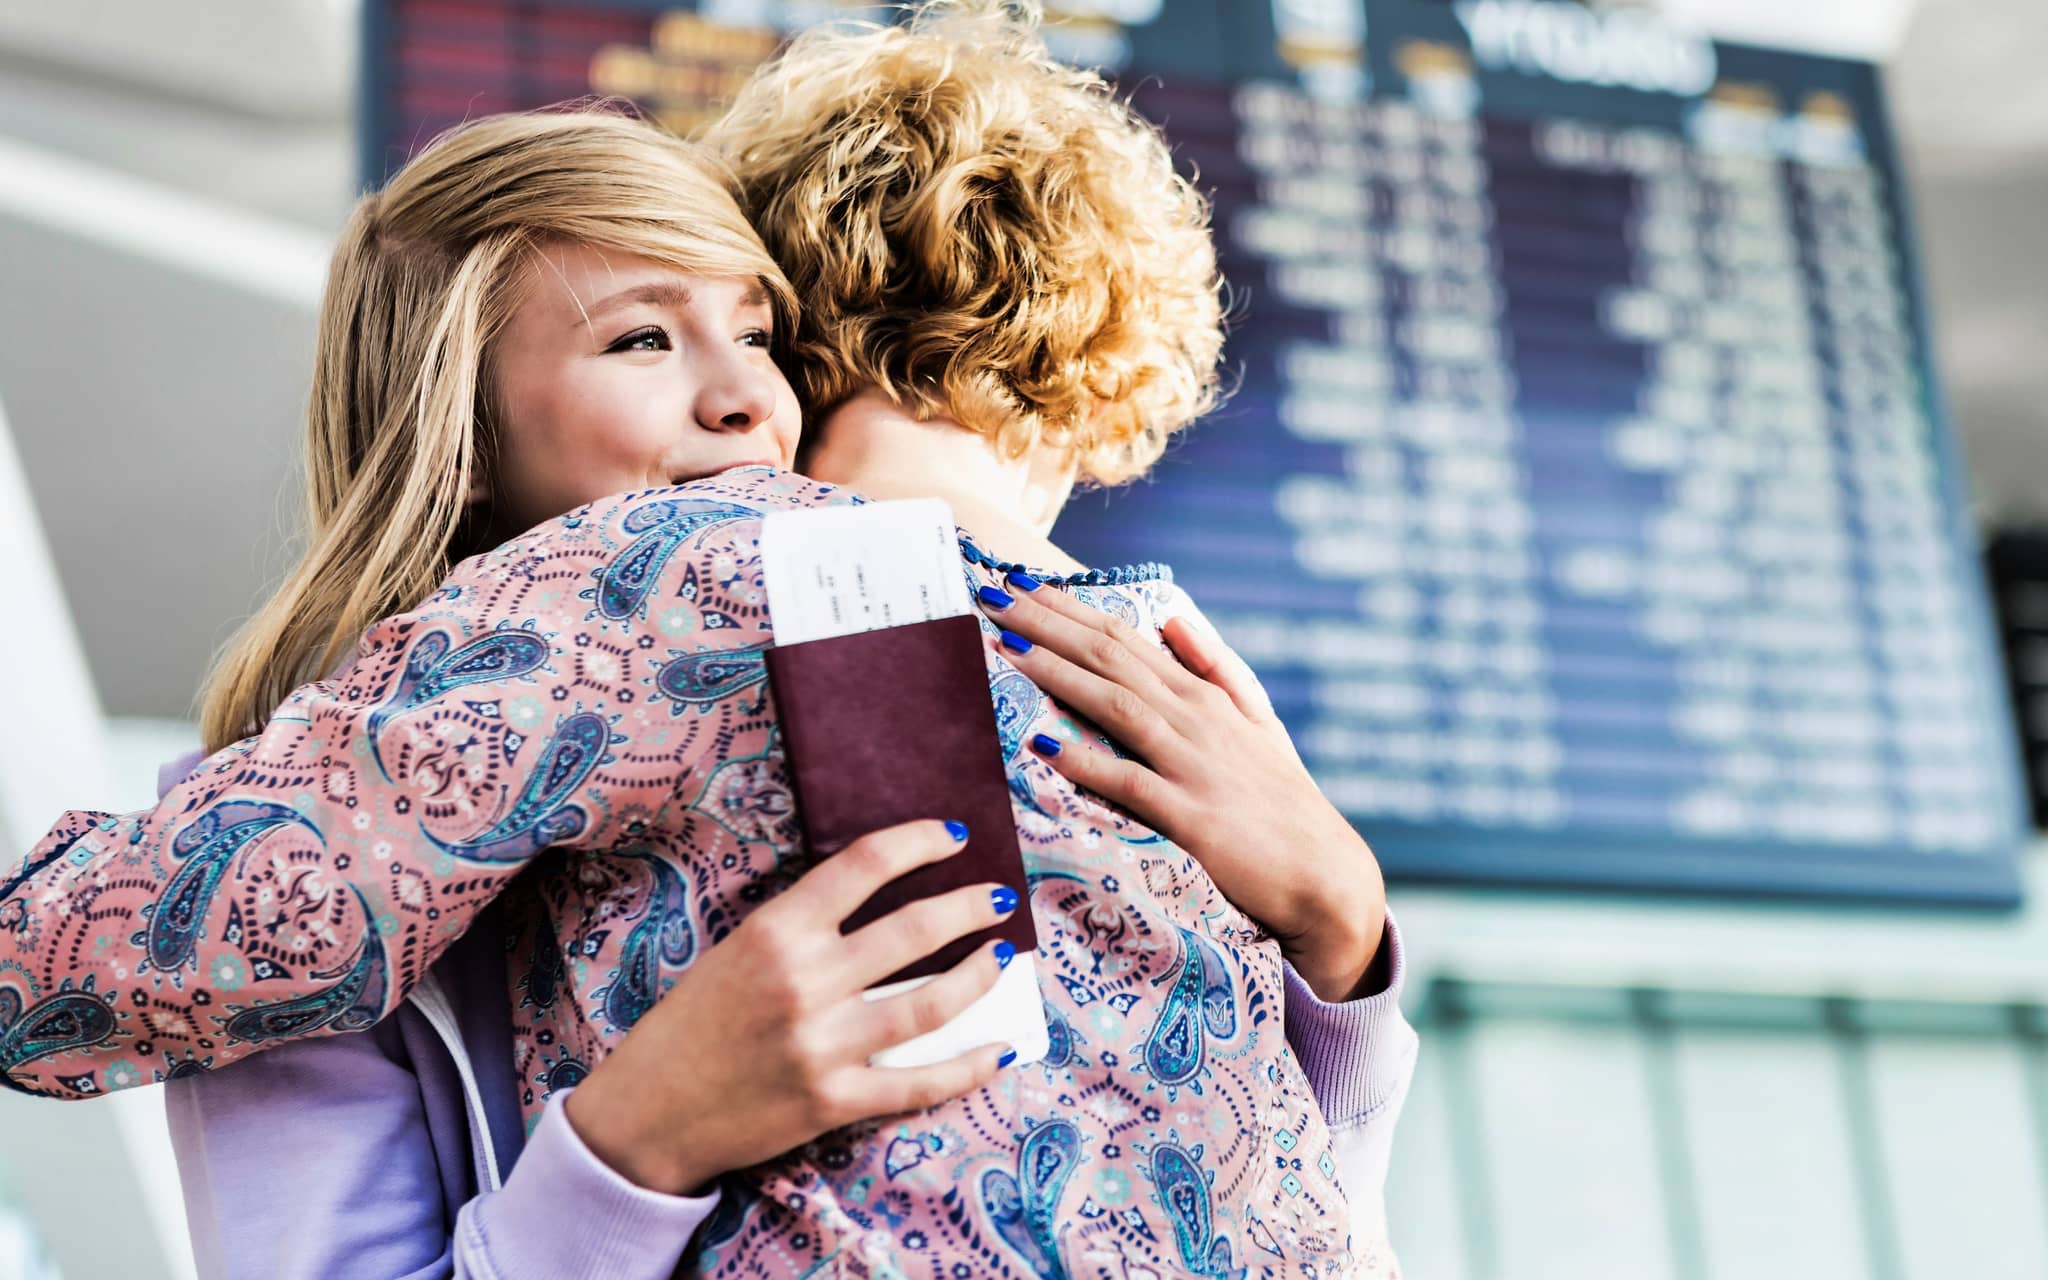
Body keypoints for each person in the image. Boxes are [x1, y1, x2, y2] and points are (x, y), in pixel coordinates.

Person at [2, 7, 1416, 1277]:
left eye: (760, 335)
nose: (744, 404)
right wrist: (639, 1136)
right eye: (641, 340)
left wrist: (1344, 935)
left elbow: (77, 963)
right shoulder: (1148, 650)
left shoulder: (699, 579)